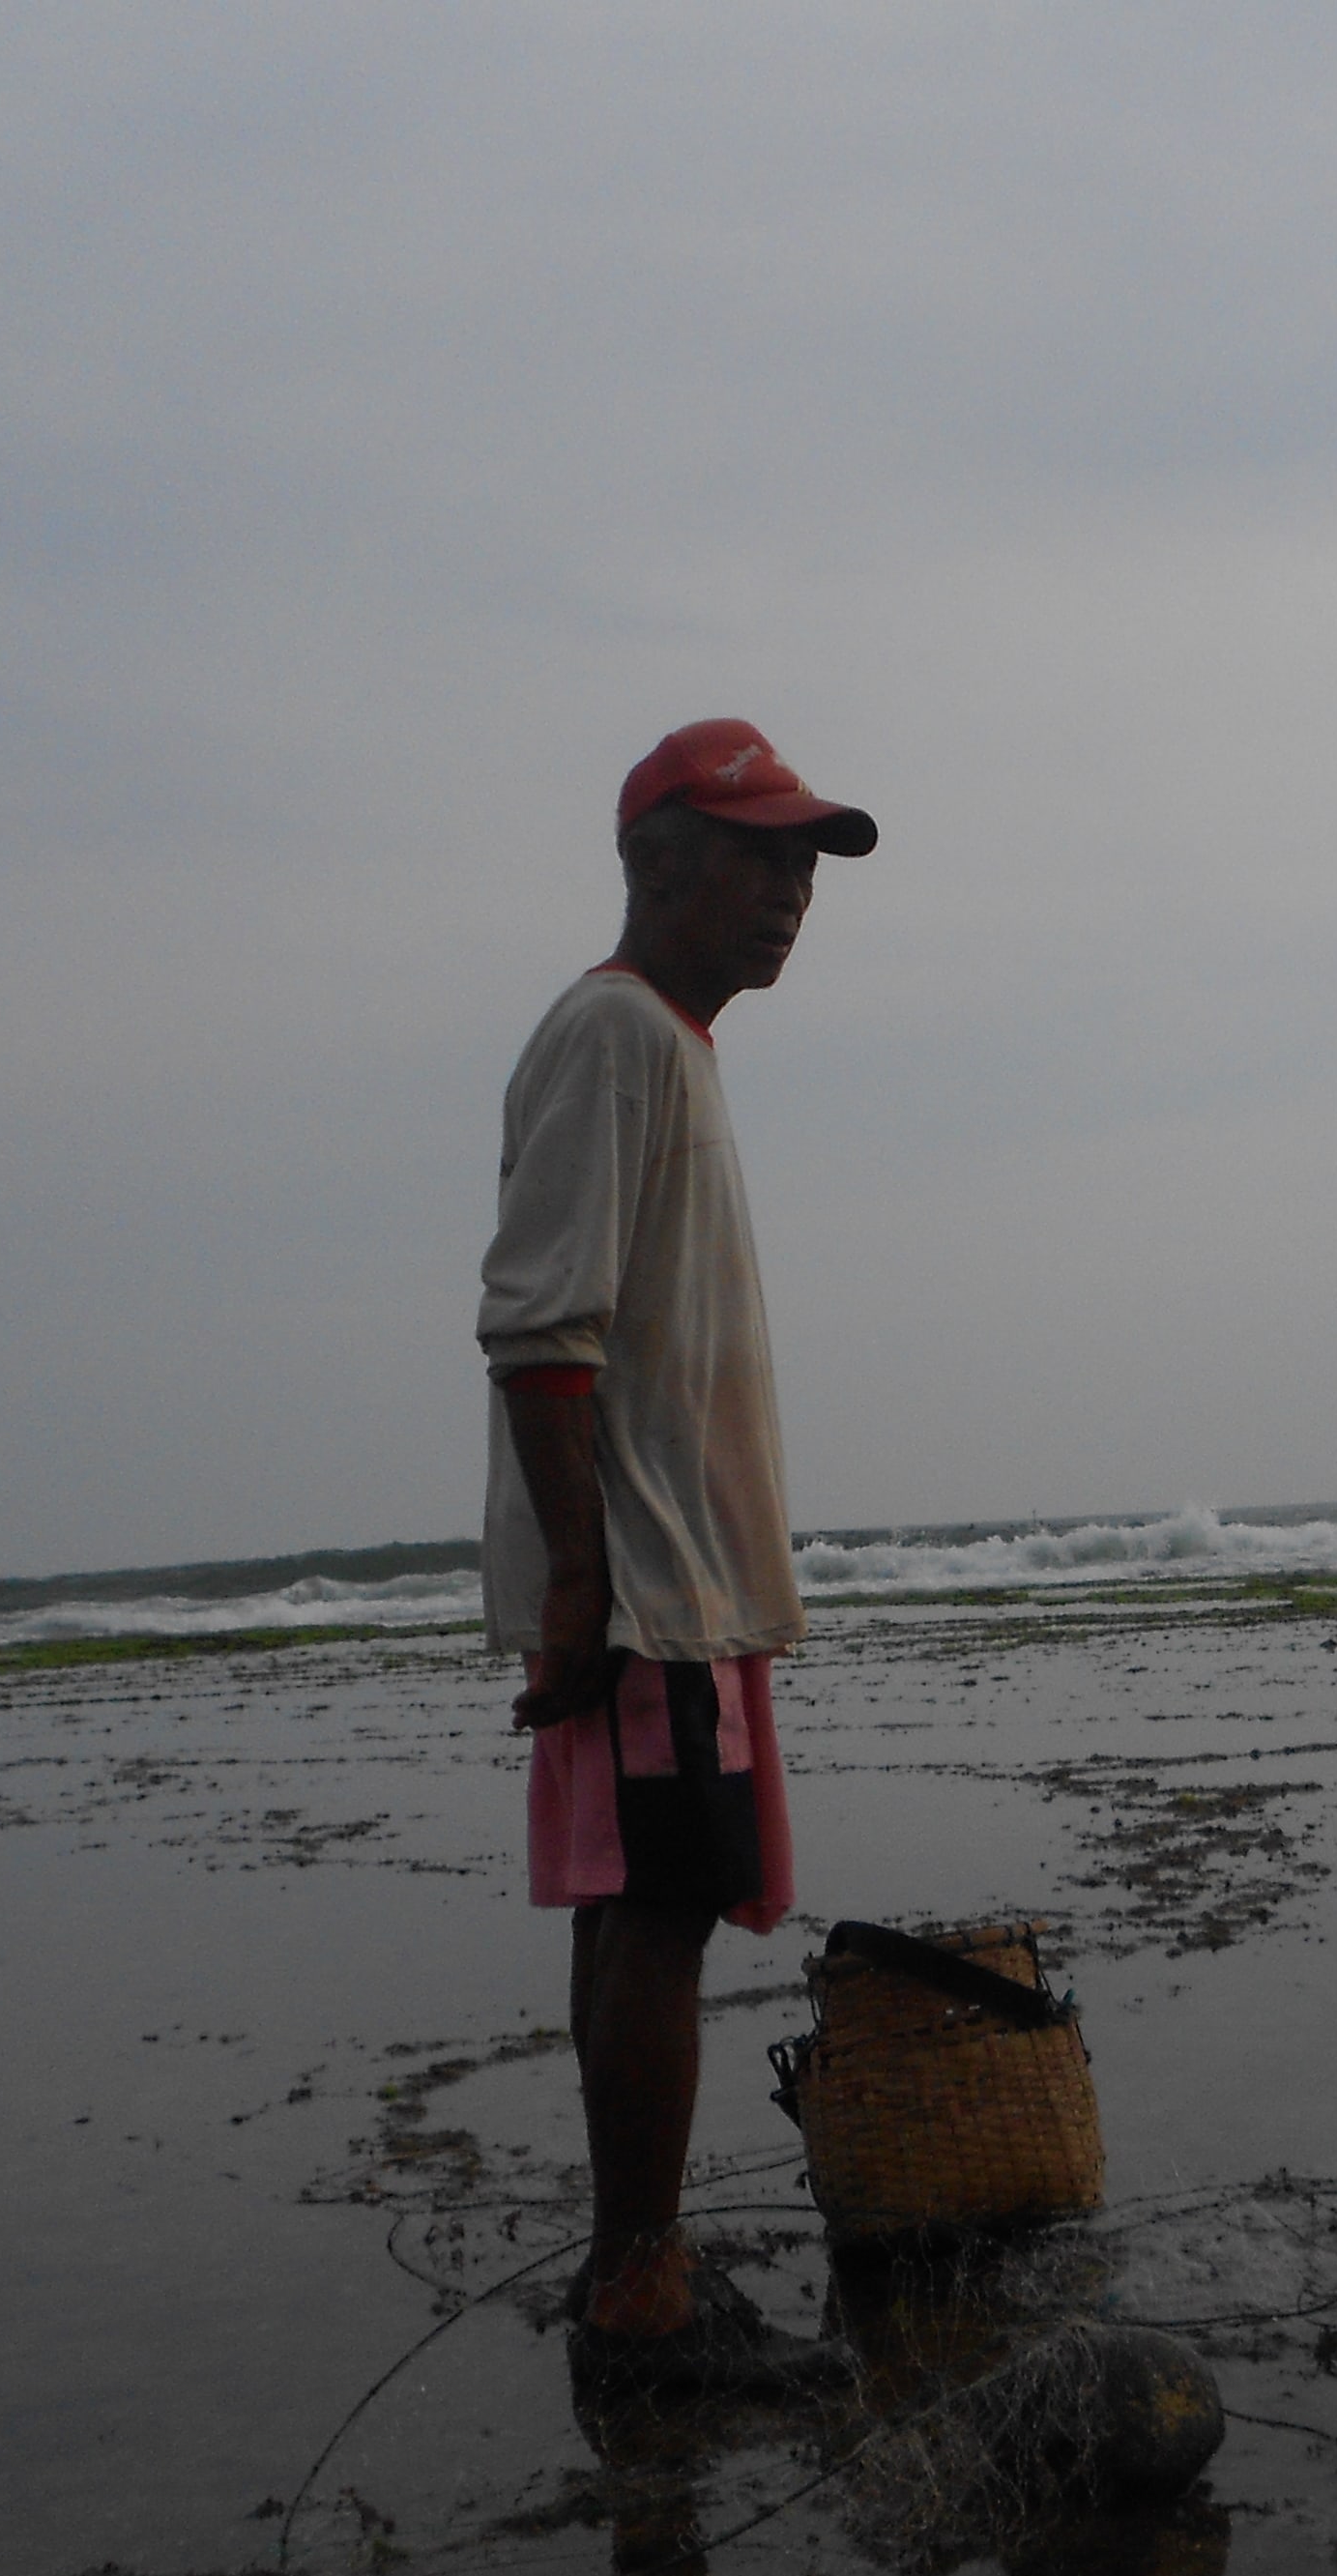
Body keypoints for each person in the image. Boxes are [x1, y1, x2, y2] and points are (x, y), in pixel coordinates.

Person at [480, 717, 874, 2401]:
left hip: (668, 1572)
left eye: (804, 859)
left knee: (645, 1913)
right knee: (656, 1917)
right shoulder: (615, 1034)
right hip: (645, 1576)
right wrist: (585, 1583)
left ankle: (631, 2263)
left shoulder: (672, 1045)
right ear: (655, 861)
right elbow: (537, 1332)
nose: (790, 888)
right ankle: (640, 2288)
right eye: (757, 850)